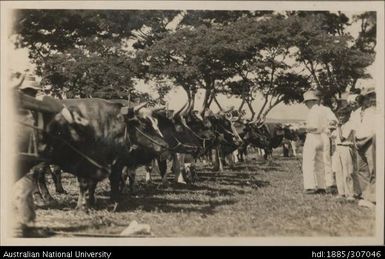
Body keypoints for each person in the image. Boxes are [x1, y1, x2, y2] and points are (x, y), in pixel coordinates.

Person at [352, 87, 377, 208]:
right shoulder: (357, 112)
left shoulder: (375, 111)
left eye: (370, 97)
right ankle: (366, 196)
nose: (367, 100)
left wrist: (365, 141)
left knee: (374, 170)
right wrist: (355, 141)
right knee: (361, 170)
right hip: (359, 142)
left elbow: (376, 131)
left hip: (371, 142)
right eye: (365, 98)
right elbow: (355, 129)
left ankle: (374, 198)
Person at [331, 105, 361, 200]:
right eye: (339, 115)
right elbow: (333, 136)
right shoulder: (340, 126)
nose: (340, 117)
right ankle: (342, 192)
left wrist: (338, 128)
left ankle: (351, 193)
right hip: (338, 148)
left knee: (348, 172)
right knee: (338, 171)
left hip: (346, 147)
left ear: (348, 116)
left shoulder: (350, 125)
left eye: (343, 115)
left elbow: (342, 138)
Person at [302, 90, 327, 194]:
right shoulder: (322, 110)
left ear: (311, 101)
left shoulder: (312, 111)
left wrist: (303, 128)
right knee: (320, 163)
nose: (306, 104)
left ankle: (310, 187)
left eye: (306, 102)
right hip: (320, 137)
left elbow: (313, 127)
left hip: (312, 136)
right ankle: (322, 186)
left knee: (308, 162)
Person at [318, 95, 338, 193]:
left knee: (326, 159)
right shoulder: (312, 111)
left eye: (318, 98)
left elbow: (334, 121)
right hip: (314, 136)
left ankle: (329, 183)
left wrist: (327, 127)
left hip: (324, 135)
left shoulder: (326, 110)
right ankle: (319, 183)